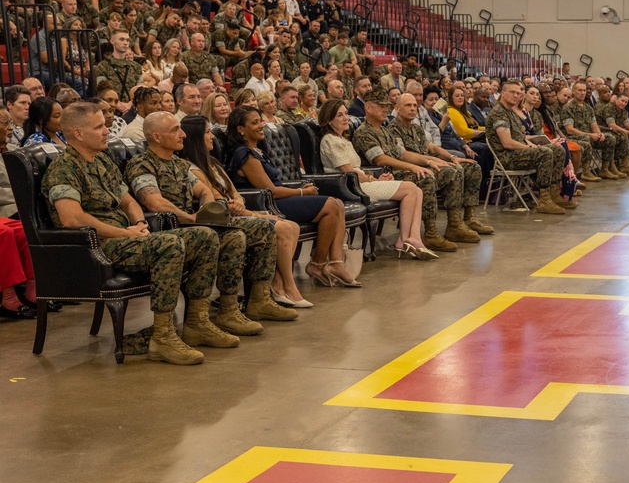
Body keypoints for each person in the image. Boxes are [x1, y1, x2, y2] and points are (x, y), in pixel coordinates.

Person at [41, 102, 215, 364]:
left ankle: (196, 322)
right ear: (77, 133)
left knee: (205, 236)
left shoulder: (102, 161)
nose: (106, 130)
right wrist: (125, 233)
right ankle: (162, 338)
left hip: (125, 236)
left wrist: (139, 224)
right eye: (98, 126)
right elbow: (72, 218)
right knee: (170, 245)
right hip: (97, 246)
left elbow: (128, 201)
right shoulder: (64, 168)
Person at [126, 111, 293, 326]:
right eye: (175, 130)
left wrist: (205, 207)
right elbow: (154, 202)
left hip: (196, 222)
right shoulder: (142, 164)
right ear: (157, 137)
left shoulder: (179, 164)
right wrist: (191, 217)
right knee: (233, 237)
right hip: (171, 227)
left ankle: (255, 301)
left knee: (262, 227)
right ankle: (206, 317)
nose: (183, 135)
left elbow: (204, 191)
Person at [225, 106, 360, 288]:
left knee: (337, 203)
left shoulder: (258, 151)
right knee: (330, 205)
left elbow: (277, 185)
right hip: (268, 205)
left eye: (260, 121)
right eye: (254, 123)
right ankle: (318, 264)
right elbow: (271, 190)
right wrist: (301, 192)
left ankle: (335, 263)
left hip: (280, 199)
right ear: (240, 129)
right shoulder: (245, 155)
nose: (261, 126)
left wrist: (299, 188)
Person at [318, 99, 437, 260]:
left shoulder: (344, 139)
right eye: (340, 115)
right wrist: (373, 180)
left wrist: (377, 178)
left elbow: (357, 170)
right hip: (349, 187)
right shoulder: (330, 140)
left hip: (360, 182)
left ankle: (412, 237)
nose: (346, 117)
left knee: (416, 190)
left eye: (346, 113)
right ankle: (405, 240)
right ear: (329, 119)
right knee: (410, 188)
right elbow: (349, 172)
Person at [389, 92, 494, 242]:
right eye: (408, 105)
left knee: (471, 168)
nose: (413, 108)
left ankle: (462, 220)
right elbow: (404, 155)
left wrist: (452, 157)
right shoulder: (393, 129)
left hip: (428, 164)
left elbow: (432, 147)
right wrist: (434, 162)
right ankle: (431, 231)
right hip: (409, 169)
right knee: (452, 171)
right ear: (397, 108)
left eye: (414, 105)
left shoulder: (416, 128)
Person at [485, 80, 568, 215]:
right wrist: (531, 149)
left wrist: (533, 145)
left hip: (518, 152)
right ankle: (544, 199)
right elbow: (507, 143)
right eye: (512, 92)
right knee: (544, 153)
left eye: (519, 93)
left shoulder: (512, 111)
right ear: (503, 93)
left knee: (557, 149)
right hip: (507, 157)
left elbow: (522, 137)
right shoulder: (499, 113)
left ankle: (554, 194)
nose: (516, 96)